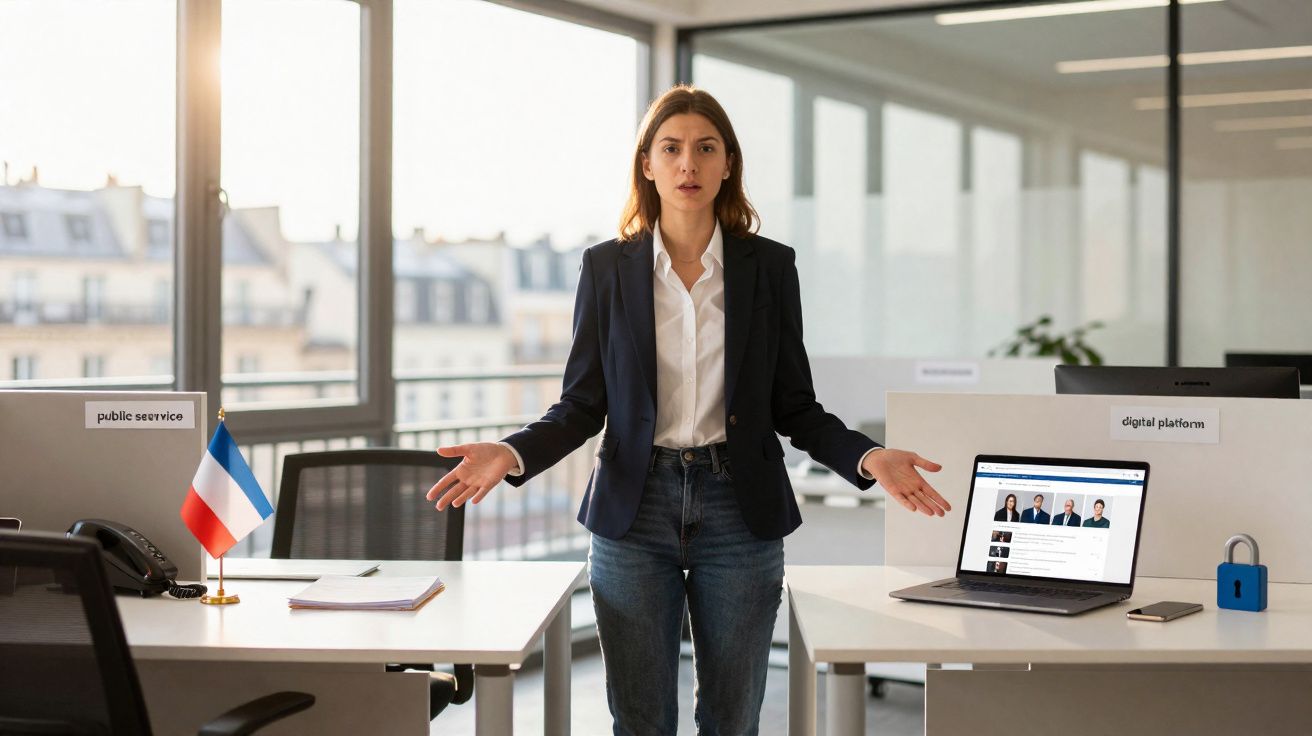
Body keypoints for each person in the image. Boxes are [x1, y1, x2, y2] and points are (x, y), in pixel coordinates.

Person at [423, 85, 952, 735]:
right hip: (632, 507)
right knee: (640, 718)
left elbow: (796, 405)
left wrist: (868, 456)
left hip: (740, 507)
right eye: (670, 149)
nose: (688, 165)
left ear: (728, 162)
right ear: (646, 163)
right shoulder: (606, 269)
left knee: (732, 717)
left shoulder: (770, 267)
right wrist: (511, 451)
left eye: (706, 149)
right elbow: (584, 401)